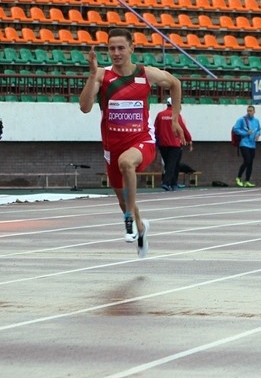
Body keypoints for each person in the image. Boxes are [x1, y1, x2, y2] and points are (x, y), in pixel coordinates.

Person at [79, 27, 184, 258]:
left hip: (141, 141)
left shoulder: (146, 74)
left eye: (120, 48)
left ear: (131, 48)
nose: (116, 53)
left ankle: (128, 220)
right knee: (122, 196)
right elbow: (85, 107)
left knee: (127, 163)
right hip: (112, 147)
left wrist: (175, 118)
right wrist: (91, 74)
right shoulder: (101, 76)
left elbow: (175, 83)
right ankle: (141, 226)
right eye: (111, 48)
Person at [155, 97, 192, 191]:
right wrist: (189, 139)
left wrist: (156, 142)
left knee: (170, 164)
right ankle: (166, 183)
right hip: (174, 144)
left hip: (163, 144)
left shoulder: (160, 115)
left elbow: (156, 129)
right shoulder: (176, 115)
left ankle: (173, 183)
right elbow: (183, 128)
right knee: (172, 164)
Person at [233, 105, 261, 187]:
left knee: (250, 163)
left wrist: (258, 135)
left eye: (251, 111)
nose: (249, 112)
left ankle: (247, 180)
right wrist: (245, 133)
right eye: (248, 110)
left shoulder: (256, 121)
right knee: (247, 160)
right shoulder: (242, 120)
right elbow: (235, 129)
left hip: (252, 144)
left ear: (254, 112)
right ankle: (238, 177)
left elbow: (258, 129)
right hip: (244, 143)